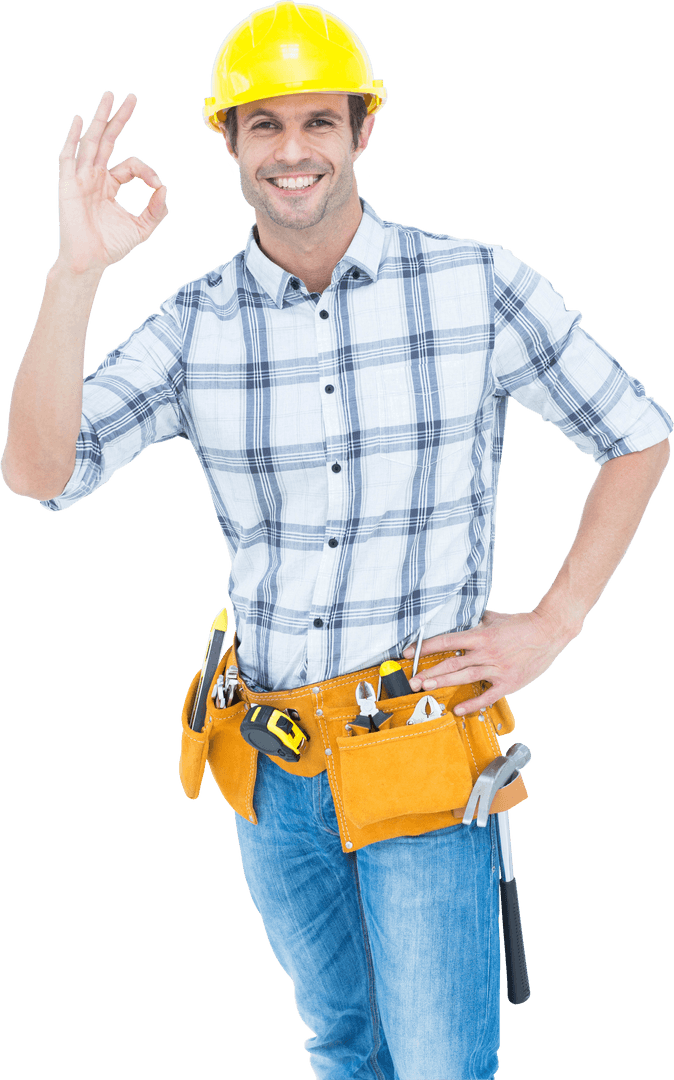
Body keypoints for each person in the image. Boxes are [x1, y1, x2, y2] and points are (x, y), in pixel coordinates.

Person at [2, 2, 670, 1077]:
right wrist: (74, 271)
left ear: (363, 130)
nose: (293, 149)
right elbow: (39, 471)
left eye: (319, 120)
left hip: (418, 750)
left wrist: (554, 622)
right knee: (345, 1044)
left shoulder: (473, 283)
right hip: (268, 765)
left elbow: (635, 434)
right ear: (226, 141)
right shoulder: (192, 322)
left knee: (437, 1064)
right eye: (263, 125)